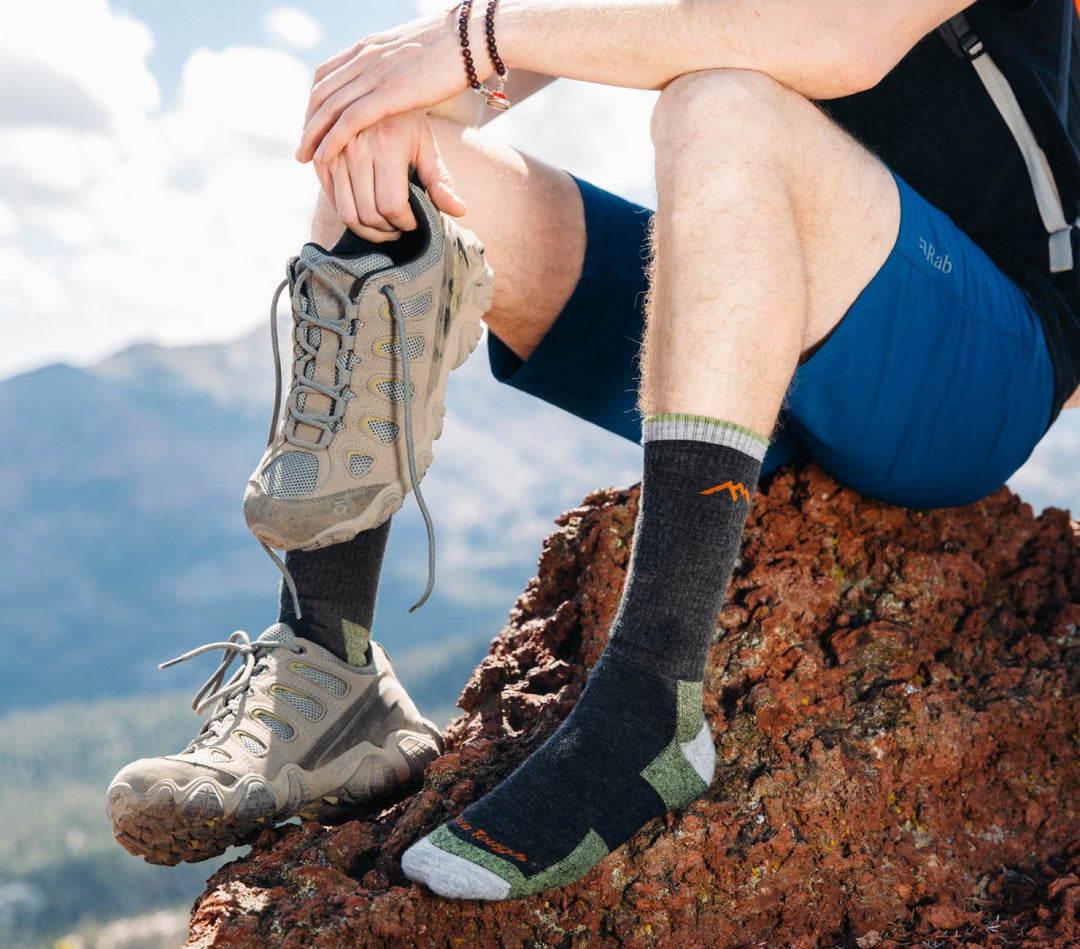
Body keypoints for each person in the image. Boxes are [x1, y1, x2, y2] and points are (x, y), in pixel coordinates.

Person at [107, 0, 1080, 900]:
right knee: (397, 155)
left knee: (724, 101)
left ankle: (652, 706)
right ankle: (331, 667)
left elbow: (836, 37)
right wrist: (399, 95)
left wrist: (476, 35)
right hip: (773, 319)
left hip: (977, 364)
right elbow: (481, 66)